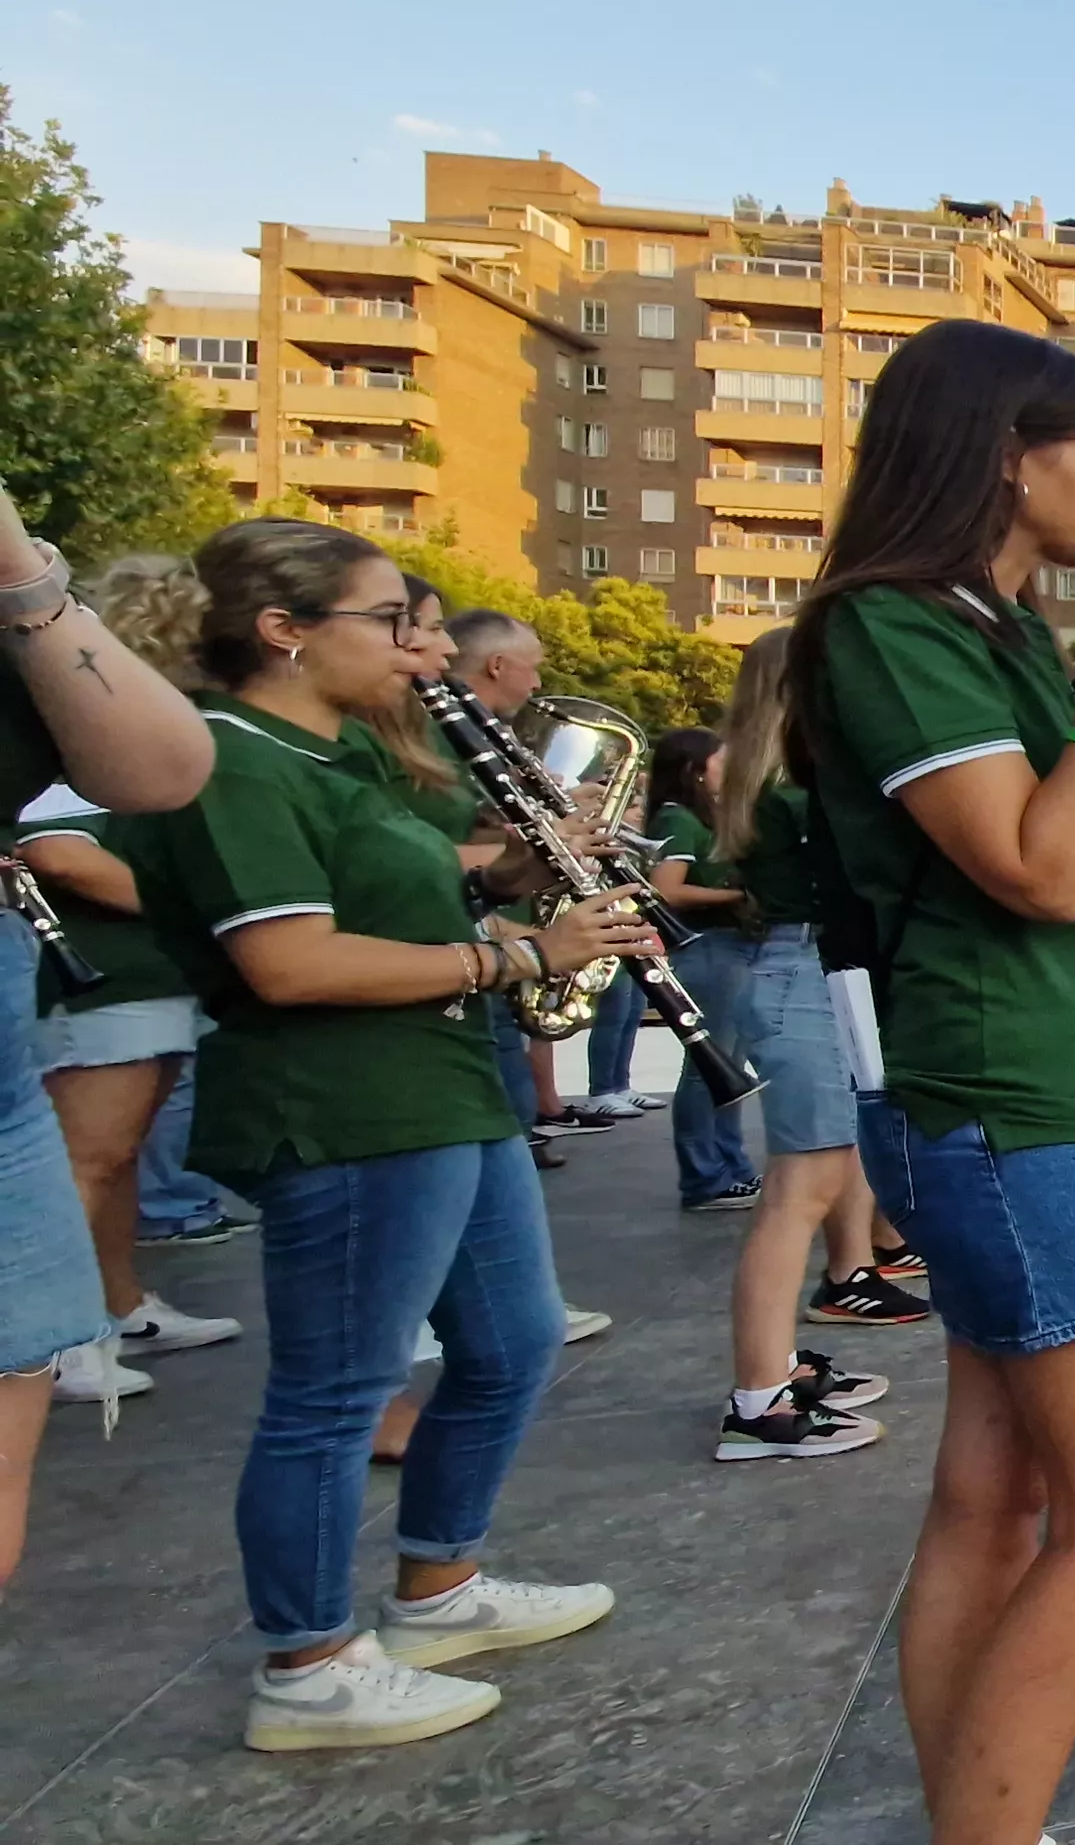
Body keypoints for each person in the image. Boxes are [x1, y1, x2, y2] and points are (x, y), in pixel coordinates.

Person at [789, 321, 1075, 1838]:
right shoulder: (890, 625)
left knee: (996, 1500)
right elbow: (1041, 872)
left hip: (1042, 1102)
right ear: (1000, 455)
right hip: (1015, 1112)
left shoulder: (994, 630)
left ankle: (982, 1817)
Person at [125, 517, 648, 1746]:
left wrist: (517, 870)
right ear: (285, 632)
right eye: (390, 623)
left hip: (440, 1087)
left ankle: (440, 1588)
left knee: (513, 1342)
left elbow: (403, 892)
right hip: (344, 1106)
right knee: (336, 1392)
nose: (420, 650)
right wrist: (518, 949)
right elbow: (290, 961)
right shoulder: (230, 759)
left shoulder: (343, 756)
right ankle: (305, 1665)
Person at [0, 483, 219, 1600]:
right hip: (94, 984)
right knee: (98, 1152)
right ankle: (91, 1327)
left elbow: (155, 769)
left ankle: (109, 1308)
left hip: (65, 990)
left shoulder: (41, 635)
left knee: (111, 1163)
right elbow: (66, 851)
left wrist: (23, 573)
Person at [698, 634, 926, 1470]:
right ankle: (758, 1398)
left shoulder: (775, 781)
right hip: (805, 974)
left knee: (813, 1183)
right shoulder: (801, 792)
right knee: (801, 1191)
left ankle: (775, 1369)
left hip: (807, 972)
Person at [639, 727, 764, 1213]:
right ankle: (705, 1175)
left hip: (725, 946)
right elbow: (665, 889)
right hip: (709, 948)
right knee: (707, 1068)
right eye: (719, 761)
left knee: (726, 1068)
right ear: (694, 769)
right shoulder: (678, 819)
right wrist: (737, 896)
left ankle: (729, 1168)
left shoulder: (700, 818)